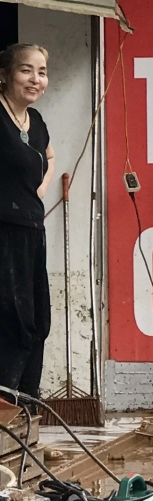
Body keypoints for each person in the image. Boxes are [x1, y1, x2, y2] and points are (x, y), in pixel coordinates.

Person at [0, 44, 54, 398]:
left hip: (32, 230)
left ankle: (26, 409)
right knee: (10, 321)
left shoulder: (35, 121)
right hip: (3, 232)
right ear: (4, 76)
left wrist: (37, 193)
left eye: (42, 71)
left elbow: (49, 156)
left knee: (38, 321)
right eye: (25, 70)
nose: (35, 79)